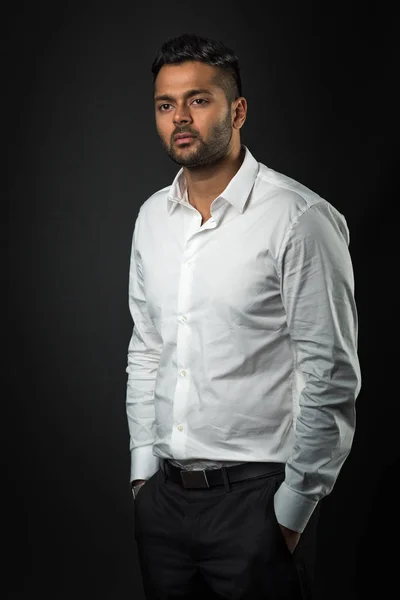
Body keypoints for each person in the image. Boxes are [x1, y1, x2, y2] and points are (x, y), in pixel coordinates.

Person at [125, 32, 361, 600]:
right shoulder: (152, 217)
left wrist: (293, 507)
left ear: (238, 110)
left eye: (199, 100)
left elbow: (329, 374)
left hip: (257, 503)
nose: (180, 117)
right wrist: (141, 475)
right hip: (164, 500)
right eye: (166, 104)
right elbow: (147, 346)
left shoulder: (299, 219)